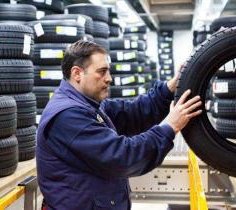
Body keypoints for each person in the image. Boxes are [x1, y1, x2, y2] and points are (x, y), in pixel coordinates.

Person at [36, 40, 202, 210]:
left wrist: (169, 88)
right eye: (101, 72)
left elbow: (132, 113)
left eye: (108, 71)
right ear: (77, 74)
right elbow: (123, 157)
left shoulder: (88, 105)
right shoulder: (68, 116)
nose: (109, 78)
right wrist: (169, 127)